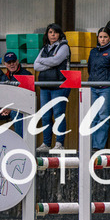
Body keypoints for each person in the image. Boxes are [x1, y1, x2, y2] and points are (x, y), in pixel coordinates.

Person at [34, 23, 71, 151]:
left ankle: (59, 144)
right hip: (45, 85)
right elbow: (36, 66)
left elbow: (56, 61)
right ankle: (46, 144)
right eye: (50, 32)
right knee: (45, 116)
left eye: (55, 32)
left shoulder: (64, 46)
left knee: (58, 114)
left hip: (59, 85)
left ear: (60, 34)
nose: (53, 35)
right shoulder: (44, 48)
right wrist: (50, 62)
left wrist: (44, 60)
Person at [88, 27, 110, 150]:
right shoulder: (93, 52)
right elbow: (90, 68)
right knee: (93, 117)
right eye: (100, 37)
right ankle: (90, 145)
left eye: (105, 37)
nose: (102, 39)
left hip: (106, 89)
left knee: (103, 116)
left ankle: (98, 146)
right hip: (93, 88)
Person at [0, 51, 32, 137]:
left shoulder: (26, 74)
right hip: (6, 107)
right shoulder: (4, 76)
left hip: (22, 107)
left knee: (15, 113)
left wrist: (11, 107)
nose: (11, 64)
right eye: (9, 62)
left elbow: (27, 97)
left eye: (13, 61)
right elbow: (1, 95)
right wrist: (3, 106)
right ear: (5, 64)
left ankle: (20, 141)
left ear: (17, 61)